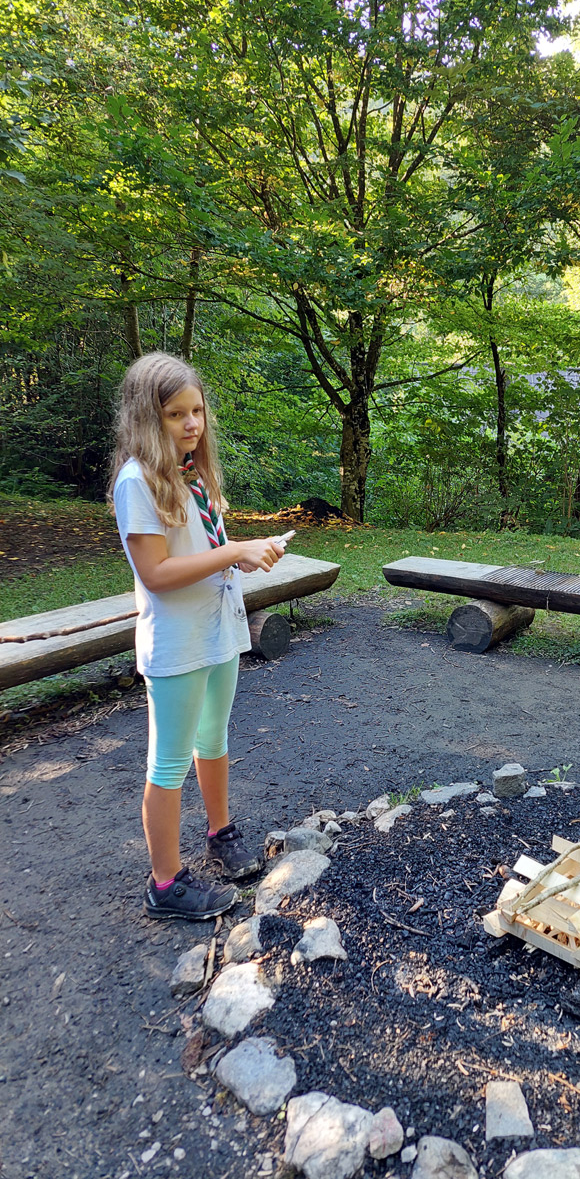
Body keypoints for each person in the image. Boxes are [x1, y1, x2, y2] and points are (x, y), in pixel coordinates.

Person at [109, 352, 286, 920]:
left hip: (219, 630)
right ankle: (165, 884)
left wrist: (247, 554)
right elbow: (156, 574)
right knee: (168, 762)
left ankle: (220, 832)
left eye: (197, 411)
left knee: (213, 740)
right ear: (147, 418)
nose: (191, 424)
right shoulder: (137, 482)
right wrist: (234, 552)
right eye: (175, 414)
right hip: (177, 643)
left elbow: (208, 549)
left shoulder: (194, 472)